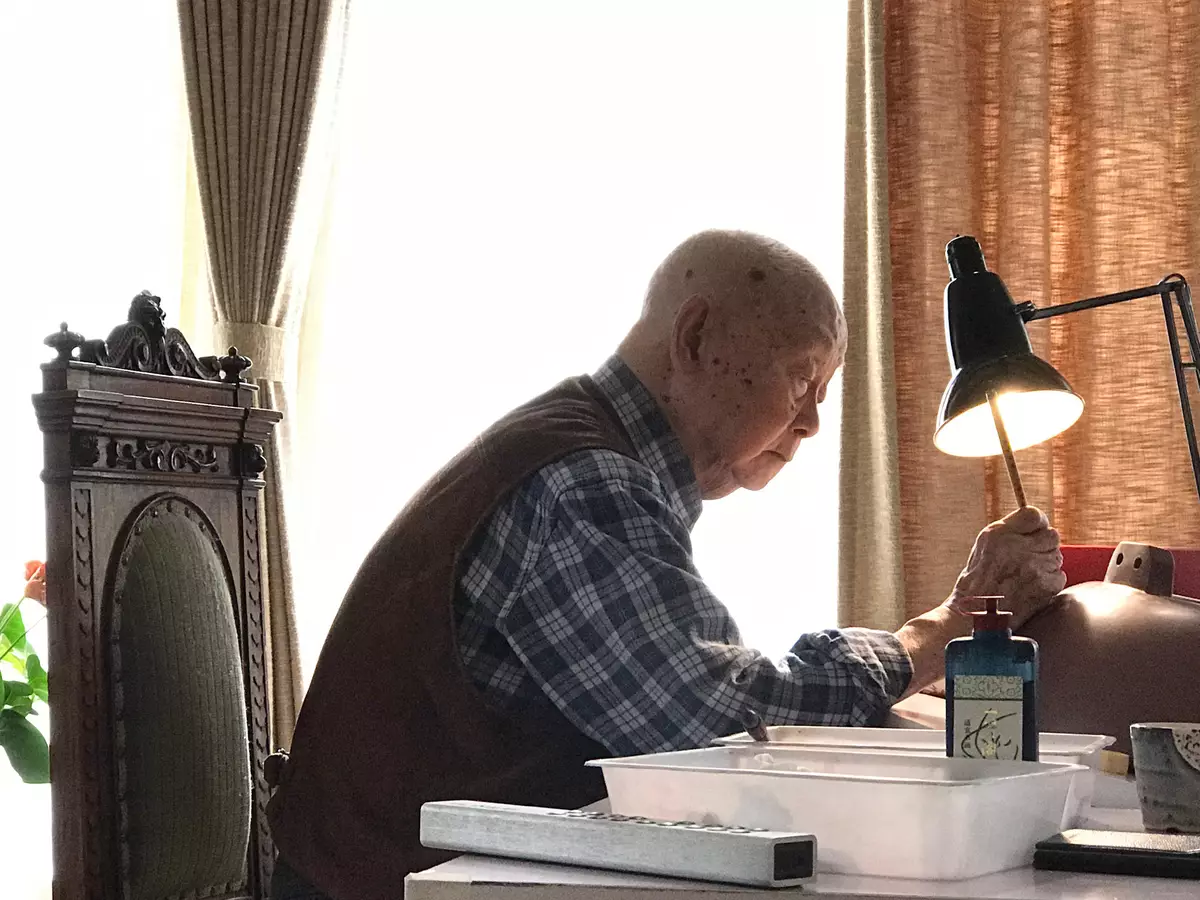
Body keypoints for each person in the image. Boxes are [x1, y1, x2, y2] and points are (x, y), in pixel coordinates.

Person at [266, 230, 1066, 900]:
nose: (814, 423)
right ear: (695, 339)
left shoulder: (582, 448)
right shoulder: (582, 482)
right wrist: (945, 629)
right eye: (802, 379)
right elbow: (720, 731)